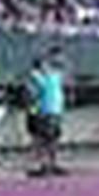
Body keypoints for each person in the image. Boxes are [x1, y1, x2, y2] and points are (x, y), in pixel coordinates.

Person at [24, 46, 68, 177]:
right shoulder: (36, 77)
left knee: (53, 139)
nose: (46, 66)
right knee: (42, 139)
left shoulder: (54, 76)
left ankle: (51, 164)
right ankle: (43, 165)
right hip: (43, 111)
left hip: (55, 111)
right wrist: (33, 109)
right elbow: (32, 94)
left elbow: (61, 64)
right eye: (44, 64)